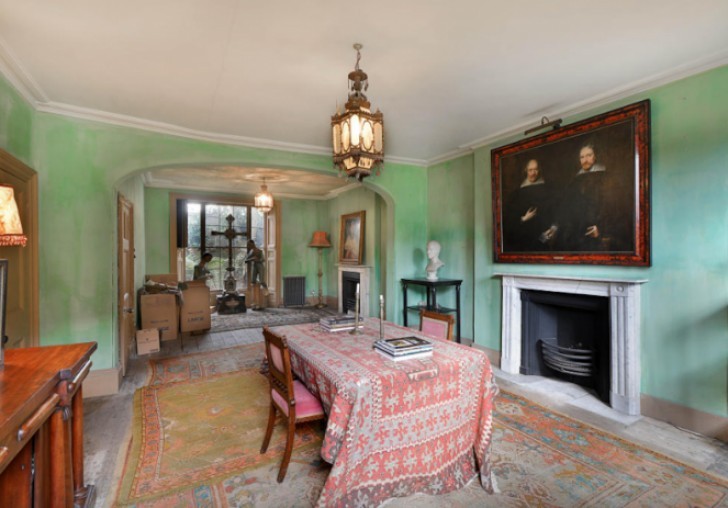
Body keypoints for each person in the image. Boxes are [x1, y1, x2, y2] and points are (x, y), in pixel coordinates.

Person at [555, 143, 631, 251]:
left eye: (588, 155)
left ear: (595, 156)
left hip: (597, 233)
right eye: (582, 157)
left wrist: (601, 230)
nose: (585, 160)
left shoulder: (606, 178)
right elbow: (567, 207)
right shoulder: (574, 181)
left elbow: (614, 208)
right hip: (577, 234)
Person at [503, 158, 557, 251]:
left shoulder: (548, 189)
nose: (533, 173)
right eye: (530, 170)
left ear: (539, 170)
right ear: (526, 171)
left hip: (543, 238)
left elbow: (555, 211)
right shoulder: (517, 193)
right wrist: (524, 218)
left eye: (535, 169)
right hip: (522, 239)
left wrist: (553, 228)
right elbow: (507, 219)